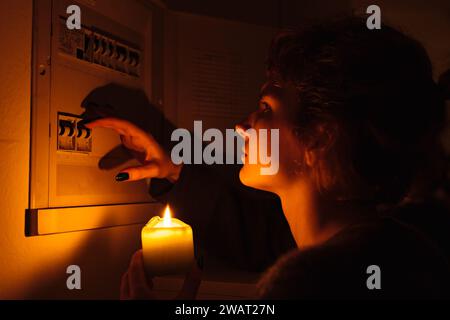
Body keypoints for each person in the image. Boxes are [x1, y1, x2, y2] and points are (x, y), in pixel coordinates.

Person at [84, 16, 450, 299]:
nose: (242, 125)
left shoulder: (314, 281)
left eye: (265, 106)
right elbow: (262, 241)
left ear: (321, 137)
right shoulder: (398, 249)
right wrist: (172, 170)